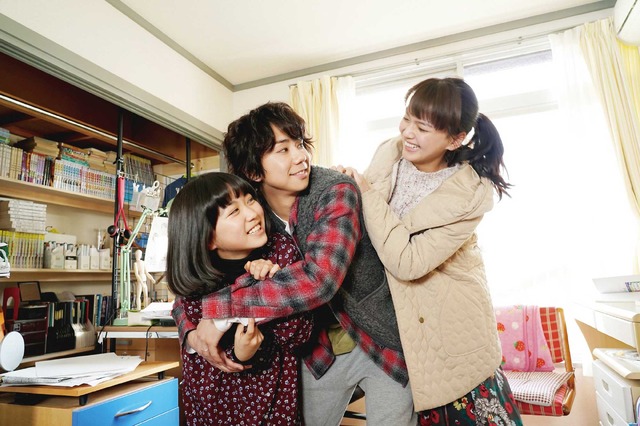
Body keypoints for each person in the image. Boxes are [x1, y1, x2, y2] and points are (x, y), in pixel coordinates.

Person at [172, 102, 418, 425]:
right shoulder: (251, 211)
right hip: (316, 350)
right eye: (283, 150)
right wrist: (191, 332)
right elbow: (195, 277)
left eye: (300, 144)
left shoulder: (335, 190)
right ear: (254, 171)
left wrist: (219, 313)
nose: (301, 156)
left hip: (377, 336)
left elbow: (319, 280)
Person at [335, 77, 522, 425]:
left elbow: (408, 262)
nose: (407, 132)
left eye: (422, 128)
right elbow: (364, 224)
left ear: (455, 139)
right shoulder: (389, 153)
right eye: (407, 118)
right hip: (395, 324)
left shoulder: (469, 194)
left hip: (449, 333)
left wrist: (365, 192)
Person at [166, 172, 313, 425]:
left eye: (250, 200)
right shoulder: (195, 284)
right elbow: (205, 354)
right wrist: (238, 353)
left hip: (272, 410)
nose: (252, 213)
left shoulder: (280, 250)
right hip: (210, 412)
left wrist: (274, 282)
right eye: (234, 211)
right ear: (207, 237)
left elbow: (300, 333)